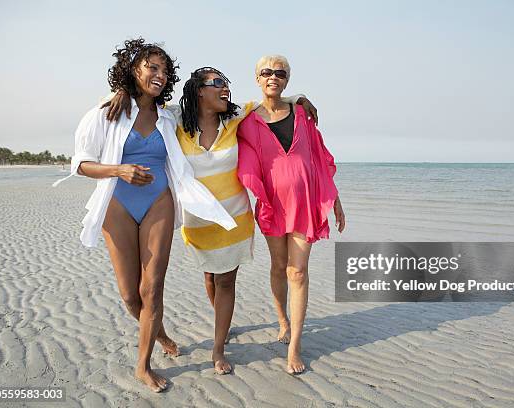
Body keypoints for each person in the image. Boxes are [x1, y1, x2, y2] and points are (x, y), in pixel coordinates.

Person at [105, 66, 318, 375]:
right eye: (217, 83)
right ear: (198, 91)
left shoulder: (234, 117)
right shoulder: (177, 120)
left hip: (234, 218)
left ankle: (218, 348)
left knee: (226, 280)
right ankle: (217, 320)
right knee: (210, 277)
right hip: (198, 220)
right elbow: (147, 102)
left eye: (226, 84)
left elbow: (270, 102)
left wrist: (299, 98)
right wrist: (123, 91)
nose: (224, 89)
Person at [53, 39, 236, 391]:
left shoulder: (169, 117)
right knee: (129, 295)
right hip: (117, 202)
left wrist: (292, 101)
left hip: (159, 201)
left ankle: (143, 365)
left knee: (152, 288)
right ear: (133, 69)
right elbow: (80, 164)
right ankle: (162, 335)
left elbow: (210, 110)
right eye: (152, 67)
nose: (160, 75)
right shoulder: (106, 112)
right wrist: (118, 170)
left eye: (165, 71)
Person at [237, 55, 345, 374]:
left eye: (280, 73)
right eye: (266, 72)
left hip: (305, 203)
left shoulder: (301, 112)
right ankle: (282, 319)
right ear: (257, 78)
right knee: (278, 266)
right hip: (272, 204)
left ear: (287, 79)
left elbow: (319, 158)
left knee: (297, 272)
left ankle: (295, 346)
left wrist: (334, 199)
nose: (273, 77)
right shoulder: (246, 119)